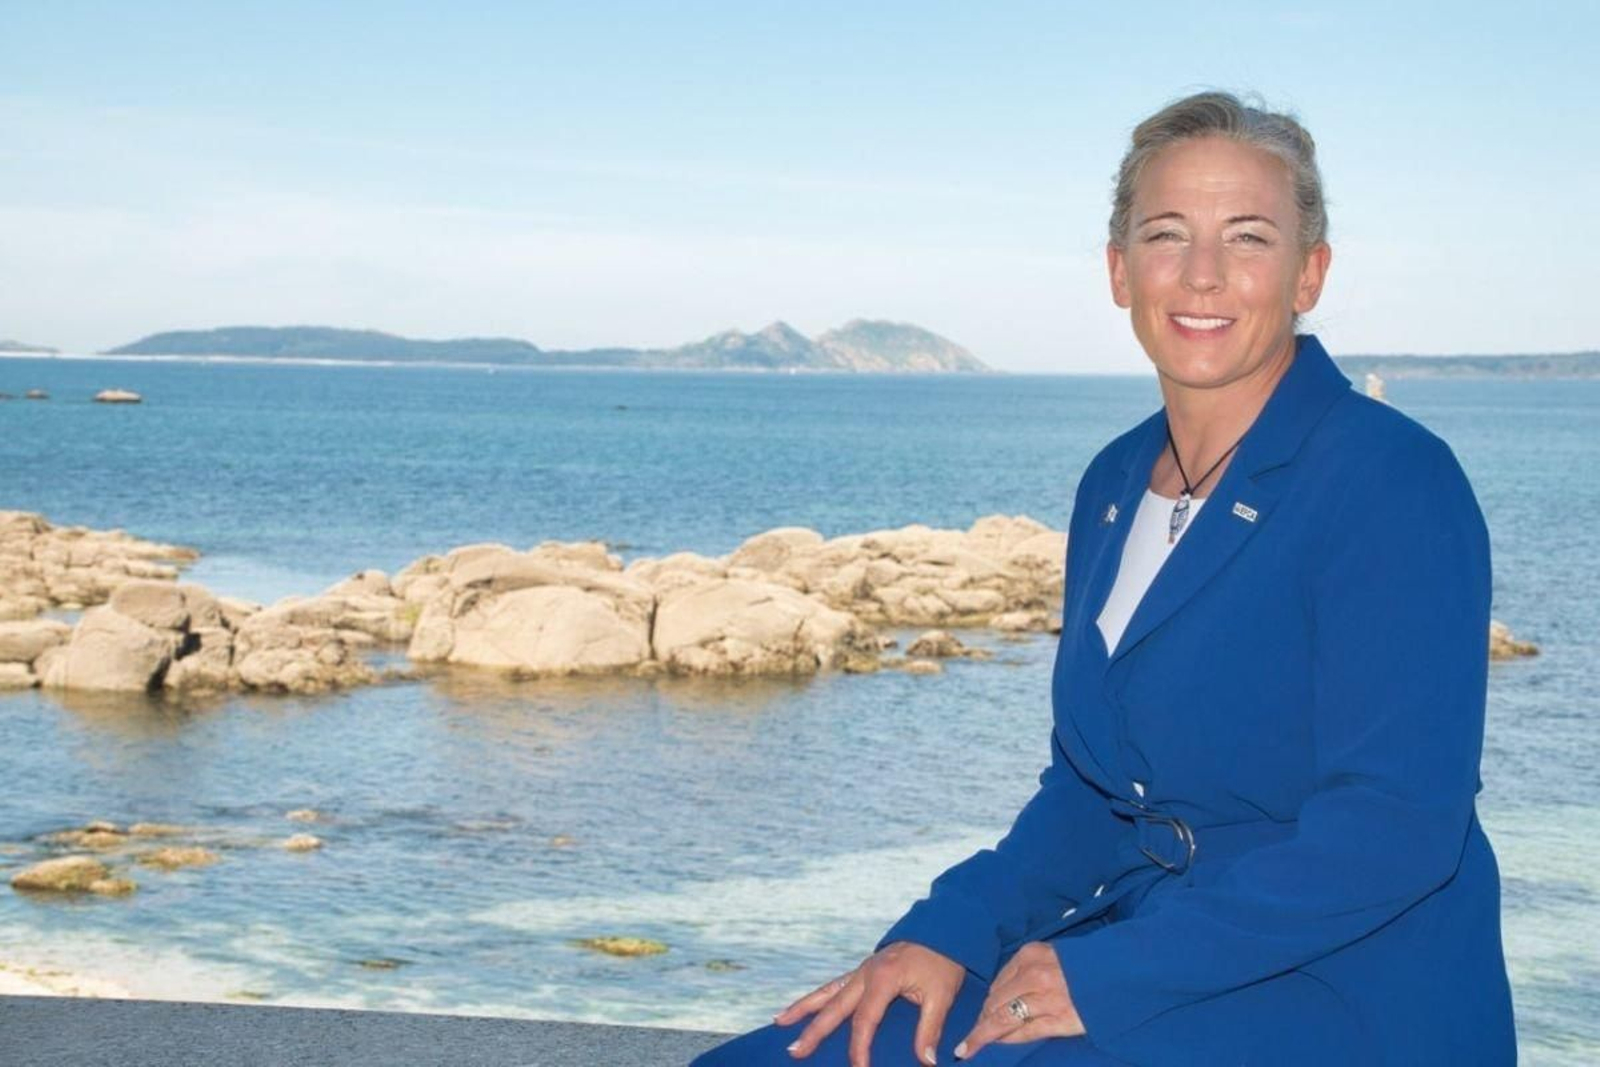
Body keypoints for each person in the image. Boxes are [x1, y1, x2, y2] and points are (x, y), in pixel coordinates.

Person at [689, 91, 1516, 1066]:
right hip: (1151, 946)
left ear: (1309, 273)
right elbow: (1091, 791)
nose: (1202, 274)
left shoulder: (1390, 479)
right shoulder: (1115, 482)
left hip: (1346, 988)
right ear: (1120, 271)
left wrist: (1108, 973)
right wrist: (949, 927)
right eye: (1166, 235)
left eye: (1247, 238)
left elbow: (1393, 829)